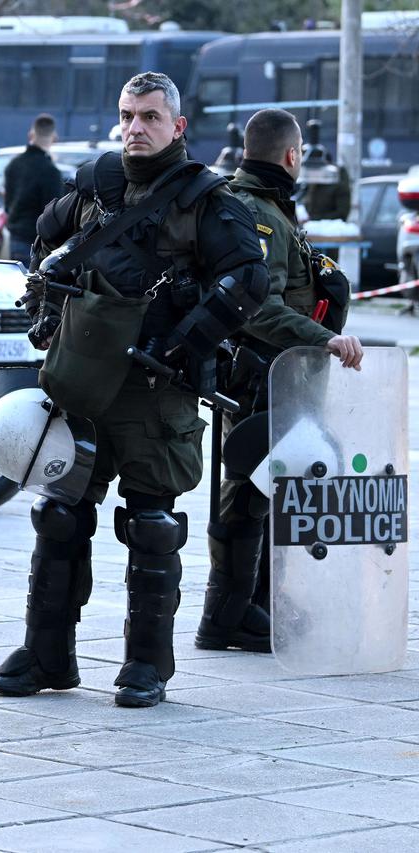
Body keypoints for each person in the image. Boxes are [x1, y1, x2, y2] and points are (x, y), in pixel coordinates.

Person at [0, 72, 269, 708]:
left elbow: (248, 280)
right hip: (81, 381)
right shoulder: (95, 183)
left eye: (148, 117)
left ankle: (147, 664)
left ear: (178, 126)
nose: (135, 128)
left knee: (152, 526)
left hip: (153, 390)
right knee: (59, 516)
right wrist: (47, 312)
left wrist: (182, 344)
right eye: (127, 115)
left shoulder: (206, 199)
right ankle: (45, 654)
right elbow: (44, 240)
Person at [195, 109, 363, 652]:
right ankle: (227, 615)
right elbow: (254, 305)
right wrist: (323, 339)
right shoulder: (256, 213)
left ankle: (255, 608)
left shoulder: (264, 206)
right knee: (245, 490)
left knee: (267, 487)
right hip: (256, 373)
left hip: (275, 374)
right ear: (292, 156)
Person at [3, 113, 64, 265]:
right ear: (54, 138)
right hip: (39, 243)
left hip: (16, 238)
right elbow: (53, 213)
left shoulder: (14, 165)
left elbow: (7, 205)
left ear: (31, 134)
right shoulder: (51, 171)